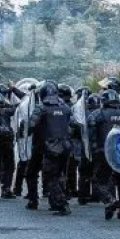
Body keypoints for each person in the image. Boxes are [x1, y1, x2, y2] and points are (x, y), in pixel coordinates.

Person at [29, 81, 79, 215]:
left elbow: (31, 125)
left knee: (49, 176)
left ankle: (62, 204)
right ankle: (55, 203)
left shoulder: (41, 108)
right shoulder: (66, 108)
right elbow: (75, 125)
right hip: (65, 146)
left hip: (48, 147)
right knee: (59, 175)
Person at [89, 89, 120, 218]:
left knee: (99, 180)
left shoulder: (97, 114)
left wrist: (92, 148)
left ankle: (109, 200)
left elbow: (90, 132)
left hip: (103, 151)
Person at [0, 85, 17, 199]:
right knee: (9, 165)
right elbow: (16, 106)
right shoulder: (7, 110)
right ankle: (6, 189)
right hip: (7, 139)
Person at [76, 93, 100, 205]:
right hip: (99, 148)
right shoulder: (101, 114)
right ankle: (96, 195)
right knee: (97, 172)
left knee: (84, 173)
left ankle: (83, 196)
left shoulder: (84, 115)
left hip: (86, 147)